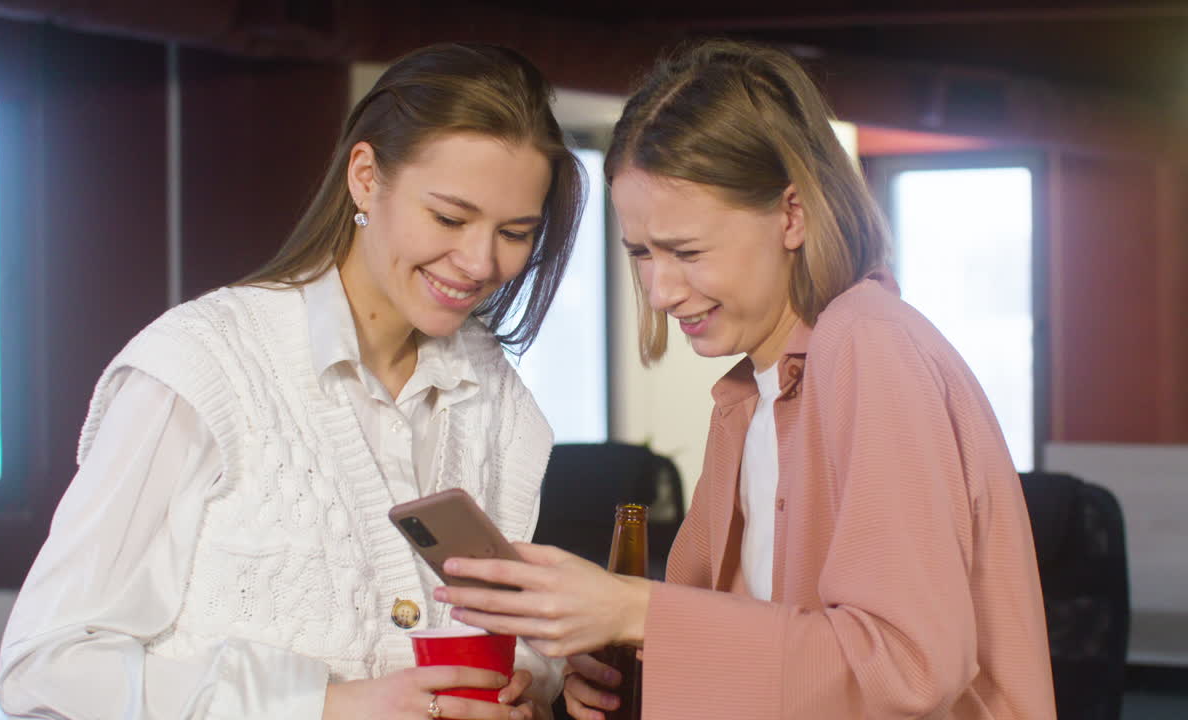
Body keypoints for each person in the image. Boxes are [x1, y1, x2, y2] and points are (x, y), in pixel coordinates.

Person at [435, 40, 1056, 720]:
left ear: (791, 215)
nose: (662, 290)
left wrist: (639, 612)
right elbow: (769, 655)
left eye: (688, 251)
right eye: (640, 253)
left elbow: (906, 668)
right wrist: (625, 654)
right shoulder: (749, 394)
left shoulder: (868, 343)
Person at [0, 42, 584, 720]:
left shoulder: (498, 399)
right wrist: (323, 705)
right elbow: (43, 668)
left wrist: (530, 683)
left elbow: (498, 633)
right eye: (449, 218)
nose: (480, 261)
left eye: (515, 232)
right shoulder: (203, 365)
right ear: (365, 177)